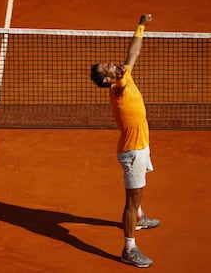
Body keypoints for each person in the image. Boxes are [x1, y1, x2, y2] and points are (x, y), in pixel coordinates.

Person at [90, 14, 160, 268]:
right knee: (131, 201)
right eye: (108, 68)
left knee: (138, 196)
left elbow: (133, 52)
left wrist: (141, 26)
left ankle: (139, 218)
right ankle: (128, 249)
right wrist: (119, 76)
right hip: (132, 153)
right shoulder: (117, 89)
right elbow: (120, 82)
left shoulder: (124, 73)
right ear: (107, 80)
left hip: (141, 147)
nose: (114, 65)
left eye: (110, 63)